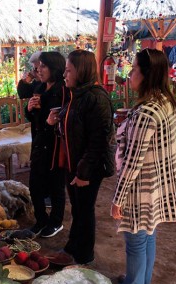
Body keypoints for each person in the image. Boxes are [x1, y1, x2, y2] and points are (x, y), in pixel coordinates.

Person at [110, 48, 176, 284]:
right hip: (158, 185)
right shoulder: (167, 103)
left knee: (136, 240)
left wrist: (117, 200)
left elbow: (131, 163)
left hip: (140, 188)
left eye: (134, 70)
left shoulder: (145, 113)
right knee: (148, 235)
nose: (130, 75)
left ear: (146, 74)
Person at [47, 50, 115, 264]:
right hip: (74, 163)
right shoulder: (76, 94)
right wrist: (54, 123)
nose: (64, 75)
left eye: (68, 70)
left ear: (81, 70)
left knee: (84, 210)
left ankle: (83, 255)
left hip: (88, 167)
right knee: (78, 209)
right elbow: (71, 130)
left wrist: (84, 172)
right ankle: (73, 249)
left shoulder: (96, 98)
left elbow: (99, 141)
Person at [26, 52, 67, 238]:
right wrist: (30, 109)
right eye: (38, 66)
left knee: (55, 184)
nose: (38, 69)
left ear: (54, 68)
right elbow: (36, 119)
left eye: (43, 66)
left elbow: (58, 122)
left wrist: (42, 113)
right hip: (39, 143)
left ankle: (56, 221)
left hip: (55, 145)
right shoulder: (40, 88)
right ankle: (41, 219)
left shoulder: (62, 91)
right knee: (34, 184)